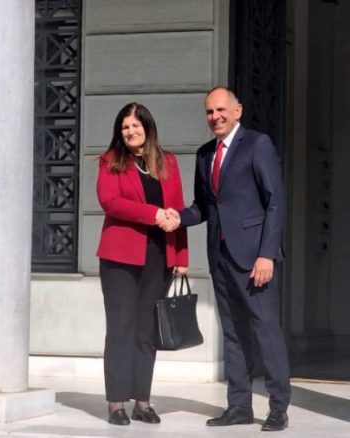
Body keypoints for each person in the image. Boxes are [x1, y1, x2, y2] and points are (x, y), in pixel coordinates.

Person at [165, 87, 290, 431]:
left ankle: (279, 407)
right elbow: (204, 206)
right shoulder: (205, 154)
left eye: (221, 110)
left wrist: (267, 255)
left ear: (238, 110)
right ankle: (239, 406)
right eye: (209, 112)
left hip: (253, 259)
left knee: (265, 330)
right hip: (220, 257)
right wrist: (178, 217)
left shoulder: (257, 145)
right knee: (233, 333)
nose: (215, 117)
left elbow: (275, 202)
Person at [96, 102, 186, 426]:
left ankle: (143, 402)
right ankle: (116, 403)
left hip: (159, 257)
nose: (130, 132)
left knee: (147, 331)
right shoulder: (110, 161)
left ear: (148, 127)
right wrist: (152, 214)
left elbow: (177, 210)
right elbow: (110, 202)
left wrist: (181, 258)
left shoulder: (169, 162)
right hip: (120, 258)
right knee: (120, 328)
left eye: (136, 125)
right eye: (125, 127)